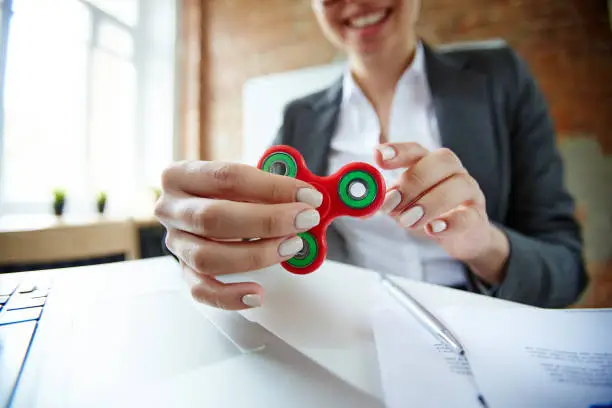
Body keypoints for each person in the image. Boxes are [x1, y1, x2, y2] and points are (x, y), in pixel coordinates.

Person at [155, 0, 587, 311]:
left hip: (487, 328)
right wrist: (207, 241)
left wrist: (486, 247)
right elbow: (260, 234)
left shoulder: (499, 77)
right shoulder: (299, 118)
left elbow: (568, 271)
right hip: (351, 326)